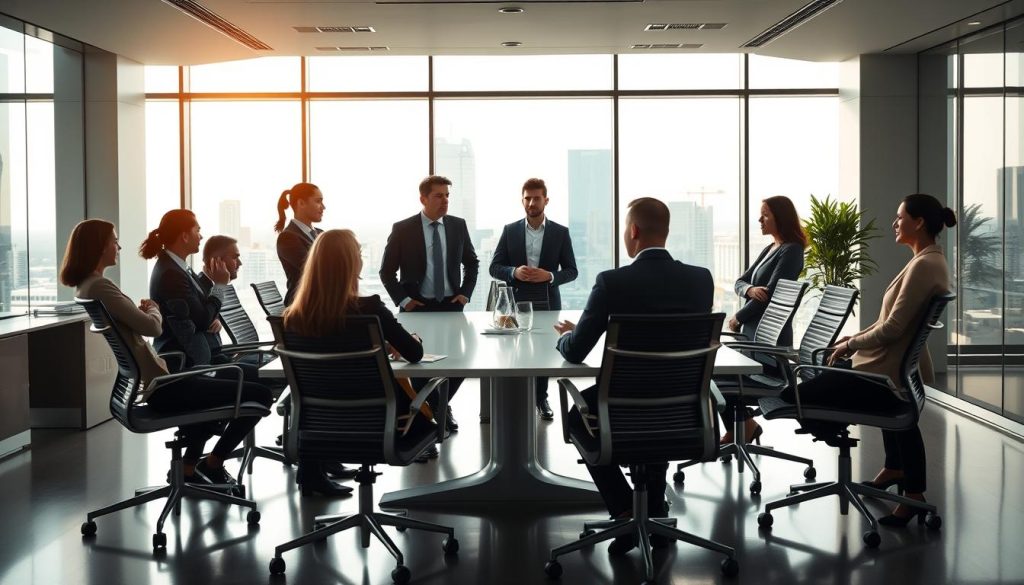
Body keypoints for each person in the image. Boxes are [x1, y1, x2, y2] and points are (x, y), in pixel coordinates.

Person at [780, 193, 955, 526]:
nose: (895, 223)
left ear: (918, 223)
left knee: (794, 396)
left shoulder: (925, 265)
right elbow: (890, 320)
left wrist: (850, 346)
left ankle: (913, 495)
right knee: (822, 380)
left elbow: (892, 328)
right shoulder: (927, 261)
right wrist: (852, 340)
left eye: (900, 217)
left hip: (881, 378)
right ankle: (896, 469)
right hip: (887, 370)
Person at [554, 197, 713, 555]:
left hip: (621, 406)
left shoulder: (612, 282)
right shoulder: (700, 281)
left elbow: (576, 350)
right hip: (681, 405)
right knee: (655, 407)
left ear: (634, 231)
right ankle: (653, 509)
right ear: (666, 233)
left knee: (577, 417)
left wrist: (565, 337)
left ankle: (626, 508)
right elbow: (671, 339)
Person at [63, 219, 271, 485]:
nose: (119, 246)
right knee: (261, 393)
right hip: (165, 386)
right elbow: (152, 328)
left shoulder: (89, 286)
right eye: (114, 241)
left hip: (159, 381)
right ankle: (213, 463)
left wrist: (148, 310)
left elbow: (148, 323)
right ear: (99, 246)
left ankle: (188, 467)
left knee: (243, 376)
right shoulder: (101, 286)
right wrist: (152, 309)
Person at [284, 230, 436, 491]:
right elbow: (414, 354)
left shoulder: (292, 318)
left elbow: (330, 346)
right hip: (380, 428)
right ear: (353, 263)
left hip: (315, 429)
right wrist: (414, 340)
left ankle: (311, 473)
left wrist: (377, 346)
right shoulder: (370, 309)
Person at [379, 175, 479, 455]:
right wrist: (403, 299)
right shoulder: (403, 229)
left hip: (450, 305)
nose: (445, 200)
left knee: (460, 362)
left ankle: (436, 406)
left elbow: (472, 263)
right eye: (439, 196)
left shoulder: (457, 225)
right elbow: (386, 272)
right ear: (423, 199)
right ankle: (431, 413)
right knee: (419, 361)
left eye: (447, 195)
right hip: (417, 307)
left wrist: (465, 293)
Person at [721, 195, 807, 445]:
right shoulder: (770, 248)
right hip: (752, 343)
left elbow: (769, 296)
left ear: (780, 217)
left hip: (767, 351)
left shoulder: (791, 250)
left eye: (765, 214)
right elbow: (740, 281)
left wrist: (738, 316)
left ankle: (744, 426)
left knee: (711, 378)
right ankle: (745, 424)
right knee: (713, 376)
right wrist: (748, 290)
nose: (760, 219)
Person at [490, 178, 578, 421]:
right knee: (514, 351)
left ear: (546, 200)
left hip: (548, 300)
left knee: (545, 353)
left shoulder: (561, 232)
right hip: (515, 301)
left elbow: (572, 271)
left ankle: (541, 399)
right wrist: (513, 272)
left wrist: (549, 275)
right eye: (527, 198)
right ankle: (515, 401)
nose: (531, 202)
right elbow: (494, 267)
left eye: (536, 198)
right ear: (522, 201)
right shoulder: (510, 230)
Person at [141, 209, 229, 370]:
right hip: (189, 366)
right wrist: (220, 286)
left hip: (202, 358)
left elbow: (202, 309)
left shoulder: (177, 267)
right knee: (261, 388)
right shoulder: (171, 274)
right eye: (198, 231)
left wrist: (213, 317)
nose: (201, 236)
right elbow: (202, 320)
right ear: (185, 236)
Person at [275, 182, 325, 306]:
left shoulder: (321, 234)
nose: (323, 207)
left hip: (322, 302)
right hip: (303, 305)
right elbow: (314, 270)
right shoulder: (288, 238)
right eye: (318, 201)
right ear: (301, 203)